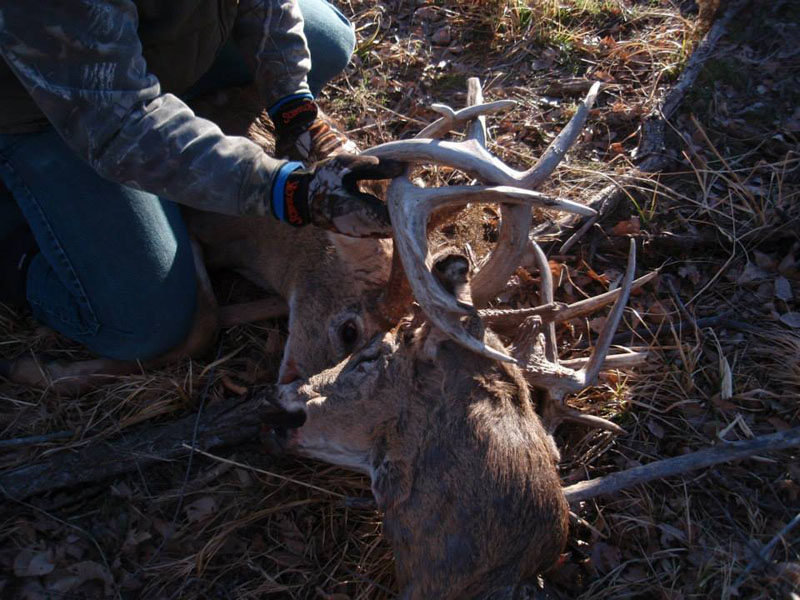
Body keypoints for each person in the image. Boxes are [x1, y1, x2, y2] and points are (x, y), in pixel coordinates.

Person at [0, 0, 402, 362]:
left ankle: (173, 131)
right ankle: (19, 235)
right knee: (148, 324)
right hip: (41, 111)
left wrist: (291, 101)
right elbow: (120, 126)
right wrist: (286, 191)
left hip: (135, 46)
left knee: (327, 40)